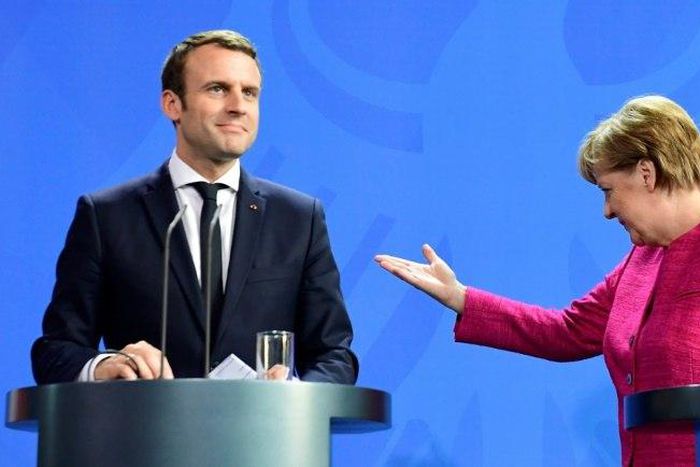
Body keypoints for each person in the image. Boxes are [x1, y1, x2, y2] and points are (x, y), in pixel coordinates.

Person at [375, 95, 700, 466]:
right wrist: (460, 297)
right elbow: (566, 330)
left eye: (608, 190)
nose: (607, 211)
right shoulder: (639, 262)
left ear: (647, 173)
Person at [31, 29, 358, 384]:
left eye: (249, 92)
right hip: (147, 434)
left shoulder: (298, 219)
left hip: (264, 436)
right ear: (172, 104)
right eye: (217, 89)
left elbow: (334, 355)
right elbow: (56, 351)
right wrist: (104, 366)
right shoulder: (107, 216)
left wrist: (292, 396)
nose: (237, 106)